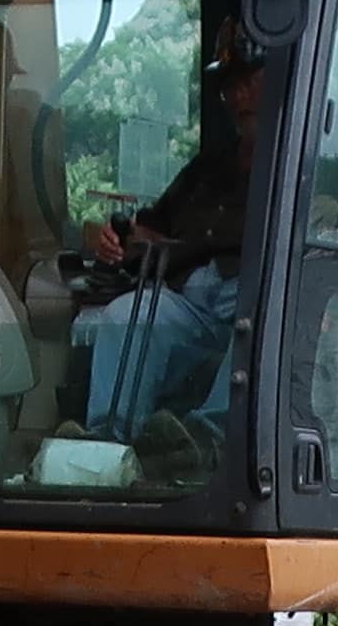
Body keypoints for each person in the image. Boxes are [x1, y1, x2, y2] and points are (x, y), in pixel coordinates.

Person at [74, 47, 267, 438]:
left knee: (264, 320)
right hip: (190, 298)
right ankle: (111, 443)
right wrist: (123, 241)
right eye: (230, 88)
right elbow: (151, 228)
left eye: (248, 81)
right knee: (125, 315)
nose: (239, 97)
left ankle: (203, 443)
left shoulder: (301, 164)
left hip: (251, 294)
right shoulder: (207, 167)